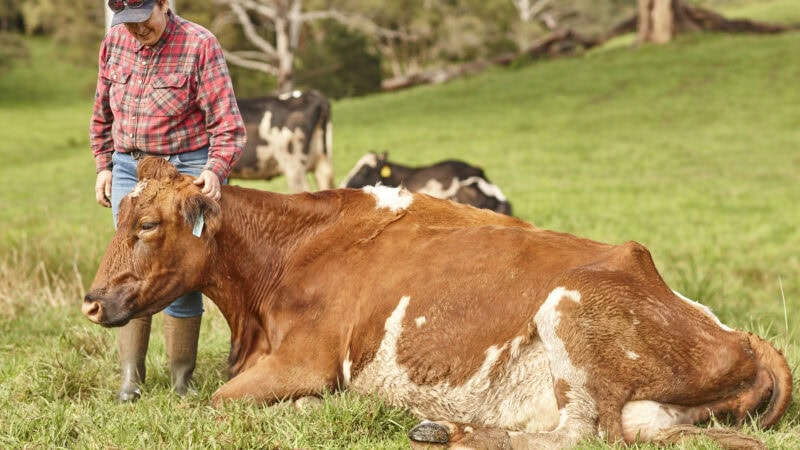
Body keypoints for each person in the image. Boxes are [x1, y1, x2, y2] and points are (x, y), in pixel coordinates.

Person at [89, 0, 245, 402]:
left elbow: (227, 123)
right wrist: (103, 166)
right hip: (129, 168)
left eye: (143, 19)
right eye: (127, 23)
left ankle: (182, 383)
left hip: (184, 170)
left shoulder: (199, 45)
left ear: (163, 3)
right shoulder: (114, 44)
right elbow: (102, 114)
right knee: (131, 266)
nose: (136, 30)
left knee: (180, 272)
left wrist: (214, 170)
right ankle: (130, 381)